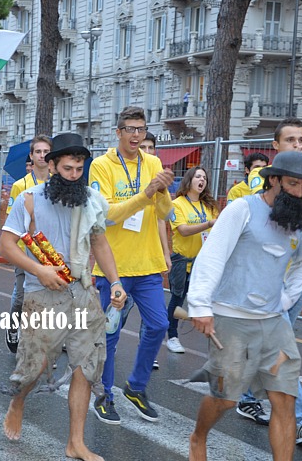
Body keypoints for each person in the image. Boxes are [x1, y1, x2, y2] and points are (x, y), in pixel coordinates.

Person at [0, 132, 126, 461]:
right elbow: (6, 245)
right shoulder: (28, 199)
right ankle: (19, 400)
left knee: (85, 365)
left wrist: (115, 281)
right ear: (51, 164)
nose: (74, 175)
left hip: (83, 292)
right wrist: (39, 270)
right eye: (67, 168)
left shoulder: (91, 200)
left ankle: (76, 443)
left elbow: (100, 243)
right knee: (37, 367)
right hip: (42, 294)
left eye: (79, 169)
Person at [187, 152, 302, 461]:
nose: (299, 192)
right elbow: (212, 255)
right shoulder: (241, 209)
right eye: (292, 183)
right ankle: (198, 437)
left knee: (285, 400)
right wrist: (200, 306)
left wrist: (284, 301)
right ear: (273, 179)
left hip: (275, 324)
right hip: (231, 321)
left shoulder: (299, 221)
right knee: (225, 399)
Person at [239, 117, 302, 444]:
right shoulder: (261, 178)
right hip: (263, 279)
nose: (299, 145)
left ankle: (245, 394)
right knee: (281, 347)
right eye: (292, 140)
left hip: (296, 279)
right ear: (276, 147)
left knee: (268, 347)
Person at [89, 106, 175, 423]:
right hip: (114, 269)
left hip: (148, 265)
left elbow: (165, 213)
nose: (136, 135)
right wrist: (146, 193)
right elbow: (108, 214)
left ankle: (136, 387)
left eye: (141, 129)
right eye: (130, 129)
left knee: (159, 325)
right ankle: (104, 396)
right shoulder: (101, 166)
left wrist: (162, 191)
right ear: (119, 132)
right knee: (109, 336)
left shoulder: (152, 162)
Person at [5, 135, 52, 353]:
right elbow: (12, 223)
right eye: (38, 152)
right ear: (31, 157)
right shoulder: (19, 186)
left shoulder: (57, 182)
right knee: (22, 294)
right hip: (27, 250)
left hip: (53, 250)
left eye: (46, 152)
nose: (42, 156)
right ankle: (14, 324)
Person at [166, 167, 219, 354]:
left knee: (206, 300)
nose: (202, 180)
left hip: (203, 263)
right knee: (178, 299)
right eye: (198, 176)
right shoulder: (177, 204)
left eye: (204, 177)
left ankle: (214, 339)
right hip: (183, 261)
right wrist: (208, 224)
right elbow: (183, 230)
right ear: (189, 180)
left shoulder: (209, 206)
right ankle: (172, 336)